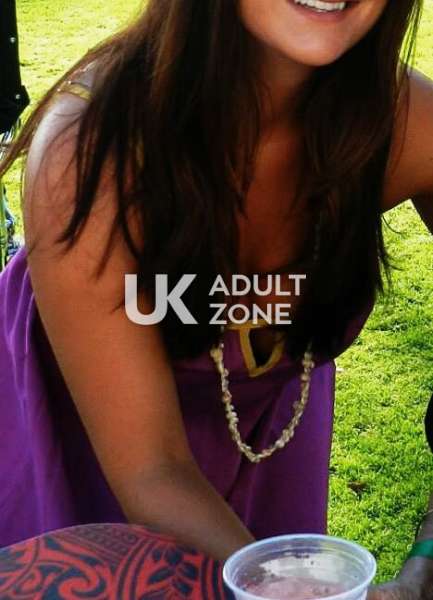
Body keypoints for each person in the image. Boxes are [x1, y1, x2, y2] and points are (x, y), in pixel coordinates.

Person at [0, 0, 432, 596]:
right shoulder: (89, 153)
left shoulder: (407, 123)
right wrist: (287, 589)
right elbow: (152, 470)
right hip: (87, 454)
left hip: (266, 454)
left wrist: (429, 553)